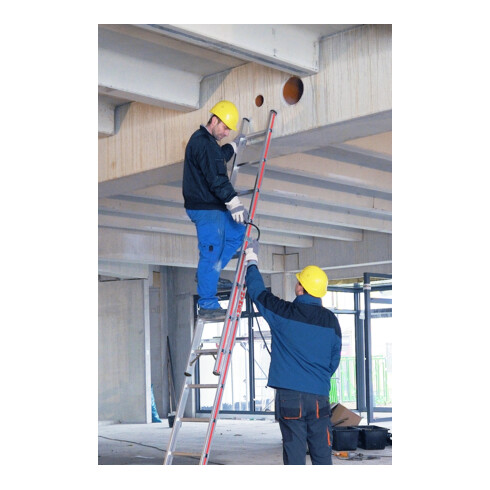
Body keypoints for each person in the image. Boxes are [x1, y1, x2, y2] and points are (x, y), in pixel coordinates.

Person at [244, 240, 342, 465]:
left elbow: (258, 293)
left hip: (290, 396)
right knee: (322, 454)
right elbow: (334, 359)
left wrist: (251, 261)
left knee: (294, 454)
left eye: (298, 282)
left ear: (300, 288)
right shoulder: (331, 321)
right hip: (319, 396)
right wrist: (317, 378)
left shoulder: (284, 312)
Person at [183, 100, 248, 320]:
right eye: (225, 127)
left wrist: (232, 147)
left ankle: (212, 273)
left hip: (213, 206)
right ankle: (207, 305)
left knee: (239, 232)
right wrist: (233, 201)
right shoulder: (202, 142)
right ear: (214, 120)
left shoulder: (208, 144)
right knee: (211, 252)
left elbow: (216, 159)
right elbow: (216, 176)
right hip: (205, 209)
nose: (227, 133)